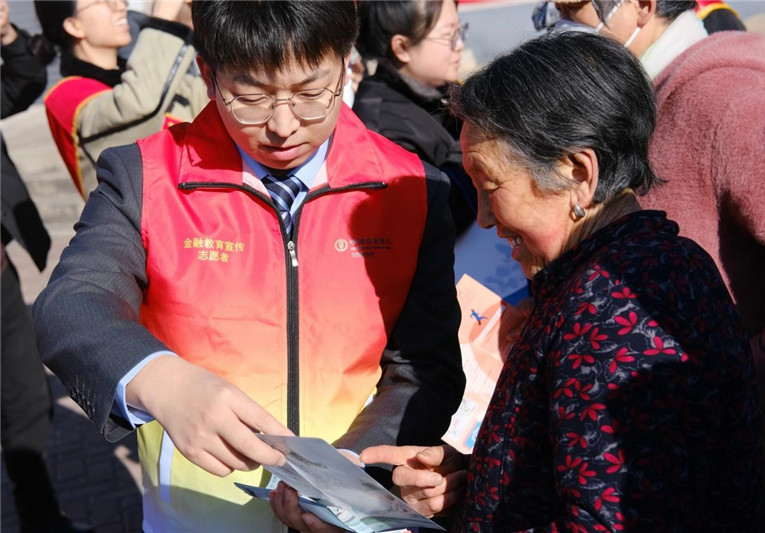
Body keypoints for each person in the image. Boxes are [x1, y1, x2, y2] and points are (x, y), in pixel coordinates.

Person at [32, 1, 465, 531]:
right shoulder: (144, 177)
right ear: (208, 75)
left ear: (346, 64)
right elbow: (72, 304)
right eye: (252, 97)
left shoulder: (412, 188)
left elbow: (425, 368)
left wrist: (351, 470)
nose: (283, 126)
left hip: (348, 511)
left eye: (311, 93)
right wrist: (161, 381)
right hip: (196, 515)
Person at [359, 32, 764, 531]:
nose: (483, 217)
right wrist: (481, 479)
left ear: (578, 173)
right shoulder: (633, 271)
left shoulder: (618, 307)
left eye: (491, 185)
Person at [552, 1, 765, 529]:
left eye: (572, 6)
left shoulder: (733, 102)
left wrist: (754, 400)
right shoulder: (647, 100)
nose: (561, 23)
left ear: (641, 6)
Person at [1, 2, 93, 532]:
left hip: (1, 281)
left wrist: (7, 34)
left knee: (28, 404)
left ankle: (40, 519)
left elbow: (24, 80)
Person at [34, 0, 206, 200]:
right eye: (102, 1)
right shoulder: (65, 96)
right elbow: (138, 105)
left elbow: (209, 101)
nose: (120, 6)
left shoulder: (139, 76)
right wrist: (163, 18)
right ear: (74, 26)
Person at [353, 0, 476, 235]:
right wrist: (476, 143)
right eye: (448, 36)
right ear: (402, 48)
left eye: (459, 31)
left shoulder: (438, 87)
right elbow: (432, 216)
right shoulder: (379, 130)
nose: (460, 44)